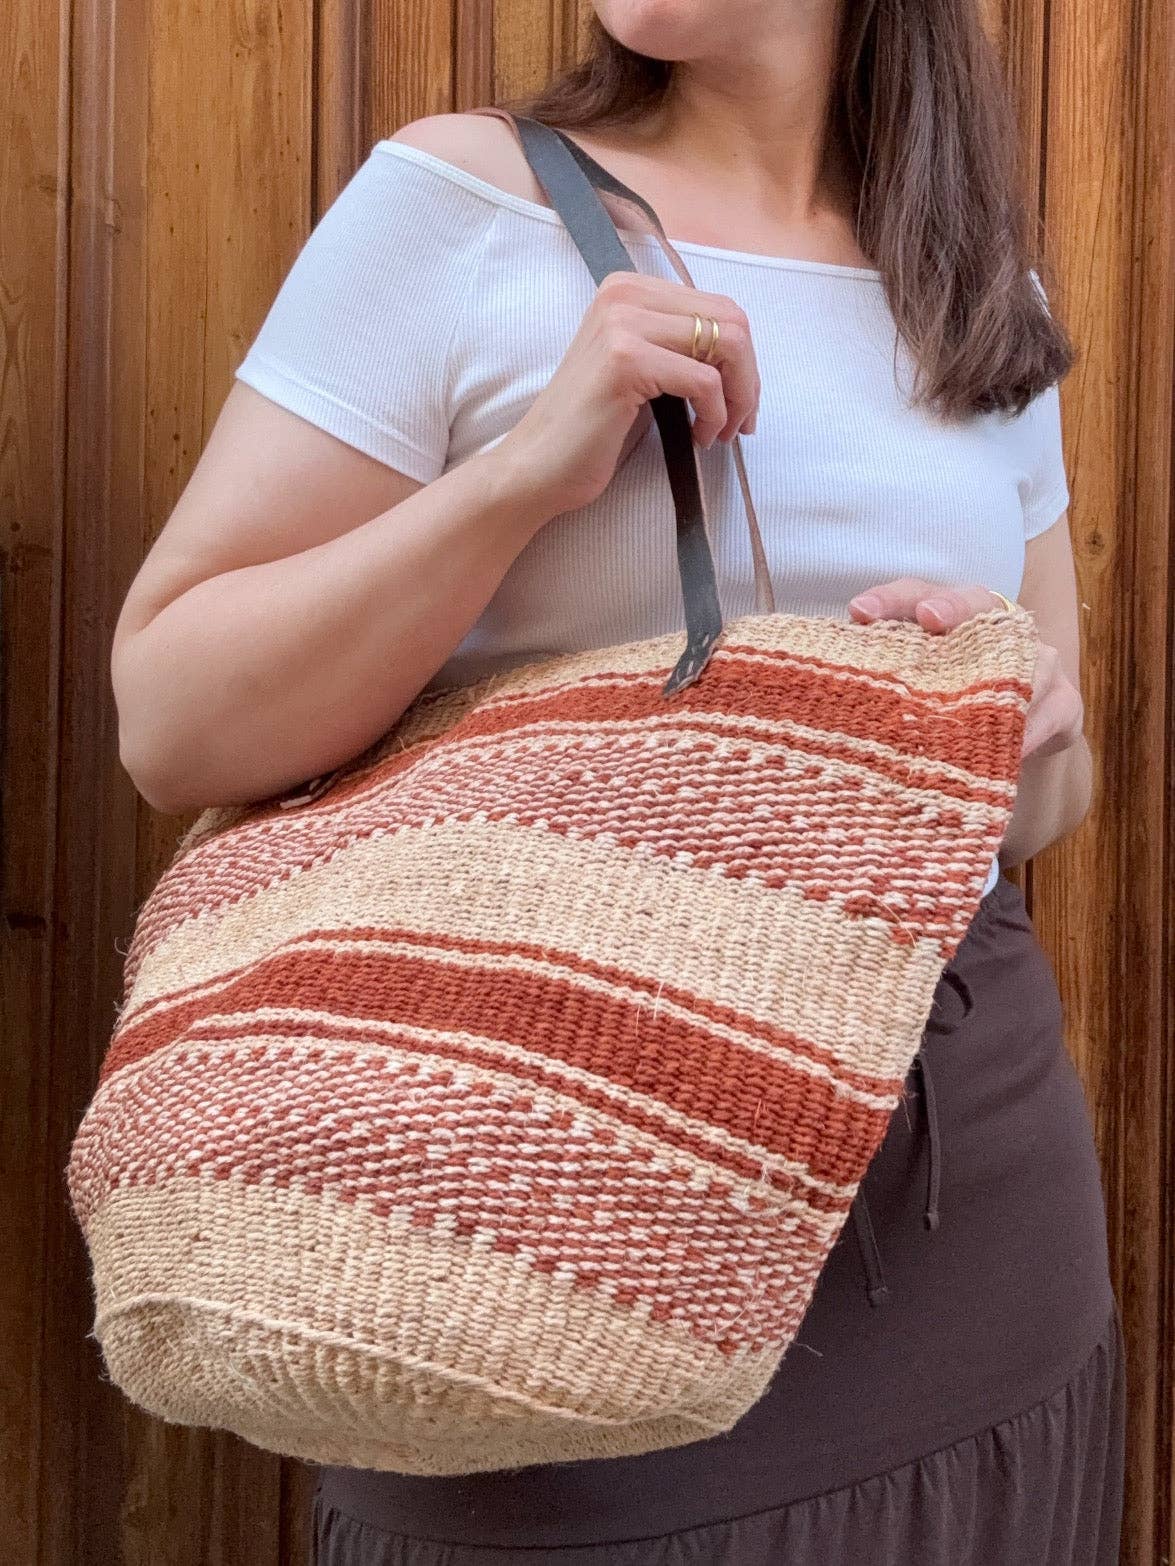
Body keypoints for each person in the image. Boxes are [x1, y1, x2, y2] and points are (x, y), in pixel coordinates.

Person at [111, 1, 1125, 1561]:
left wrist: (1010, 725)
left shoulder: (977, 288)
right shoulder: (465, 206)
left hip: (962, 1221)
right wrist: (523, 477)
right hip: (531, 1202)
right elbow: (172, 717)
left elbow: (1052, 799)